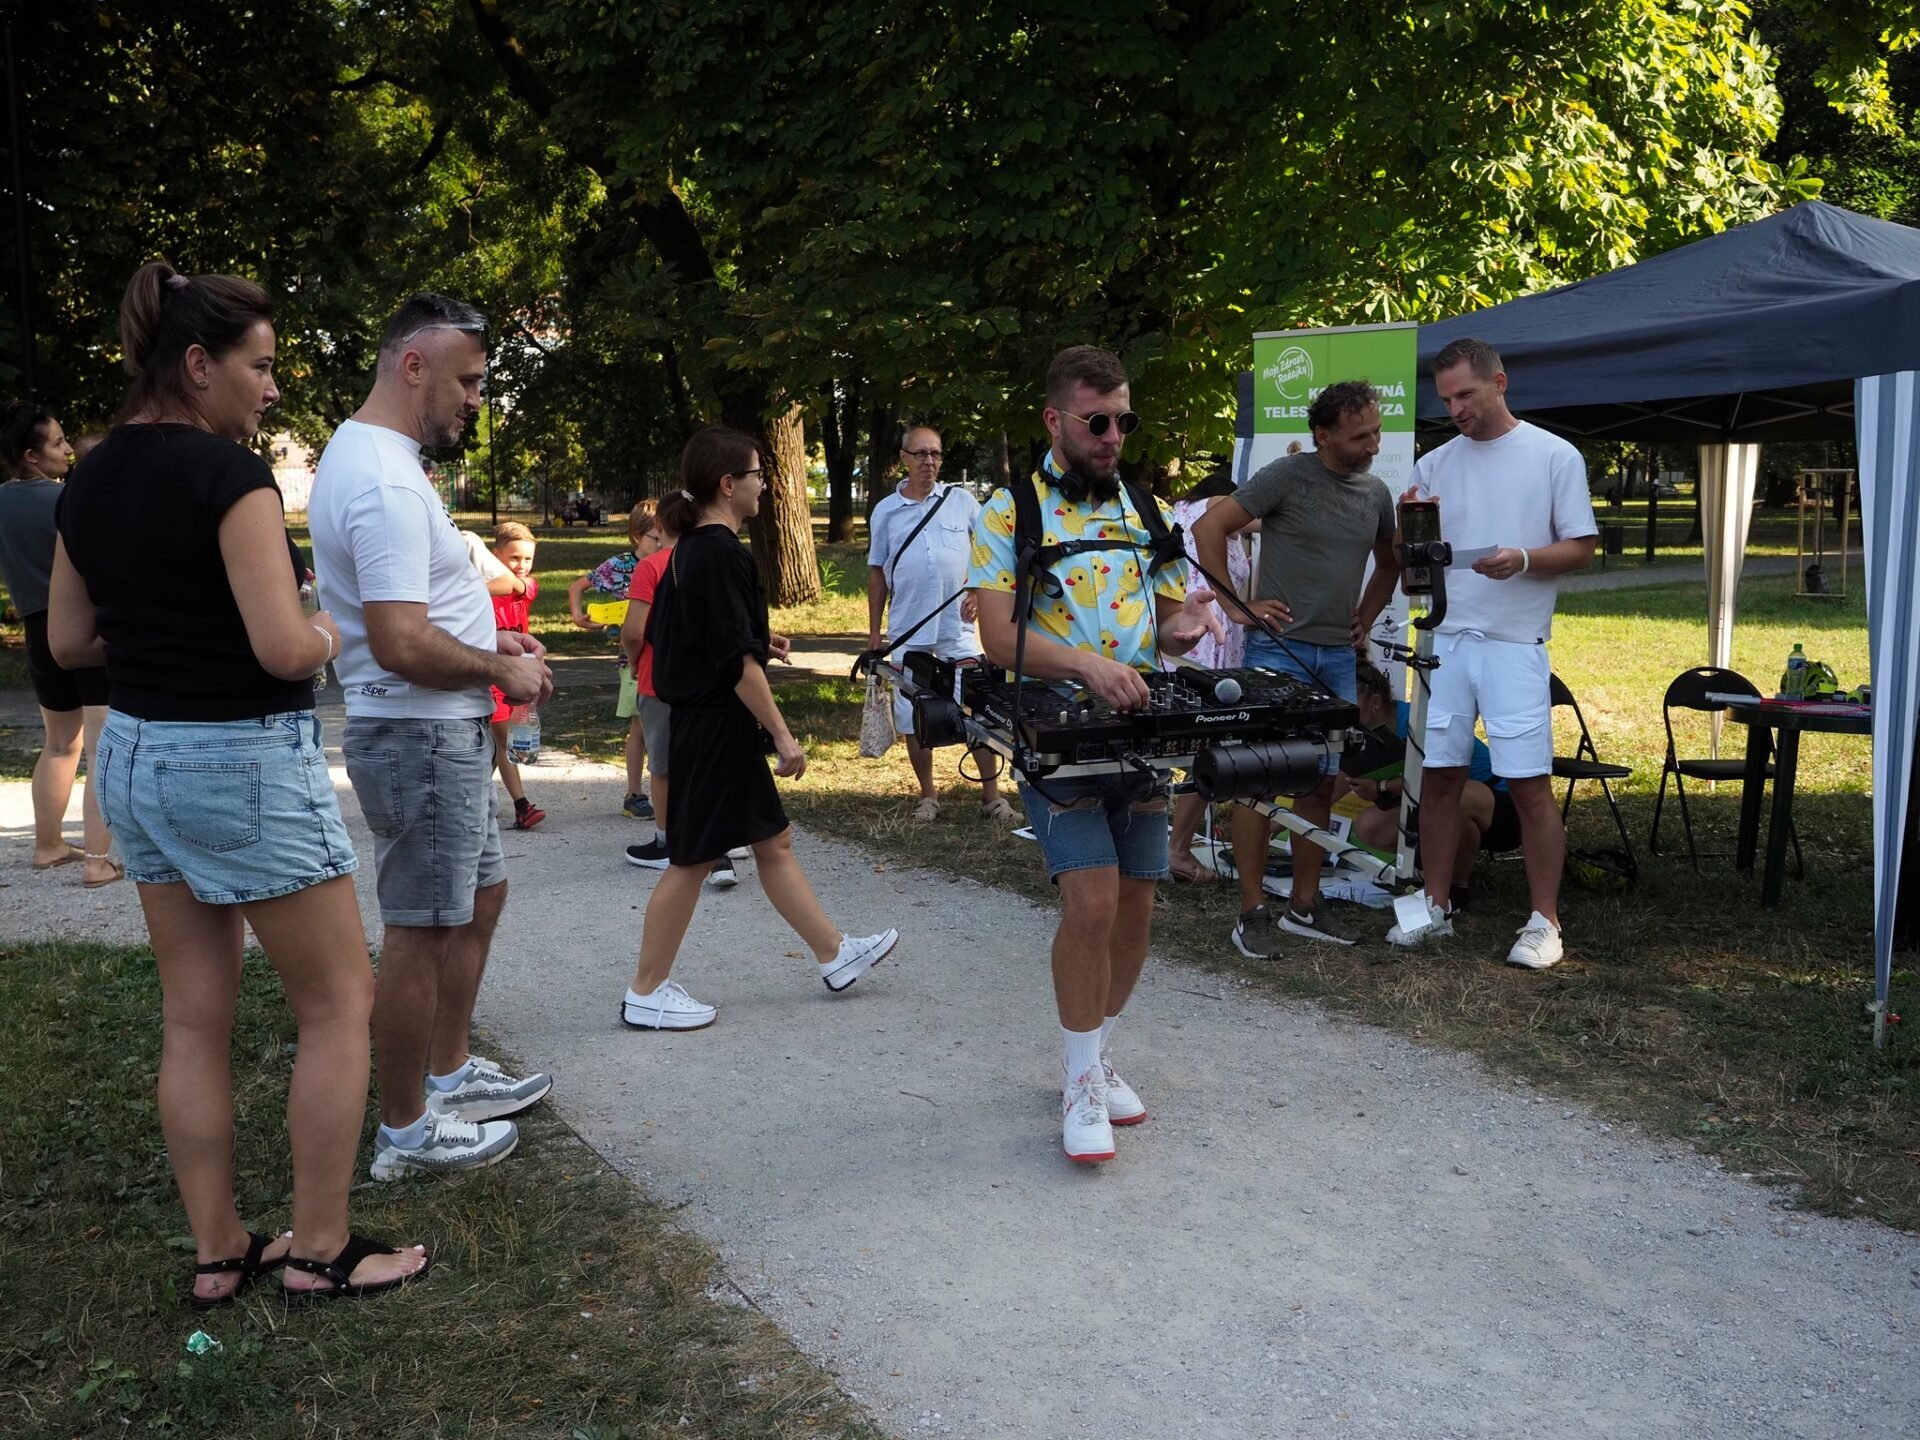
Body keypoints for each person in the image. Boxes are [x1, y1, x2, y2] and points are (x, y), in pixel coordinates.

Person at [48, 261, 426, 1303]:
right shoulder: (232, 479)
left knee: (192, 1017)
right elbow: (280, 648)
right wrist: (327, 629)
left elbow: (73, 636)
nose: (271, 389)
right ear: (198, 365)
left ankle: (220, 1252)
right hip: (242, 759)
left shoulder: (89, 475)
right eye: (259, 368)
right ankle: (319, 1249)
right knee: (339, 1001)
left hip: (135, 753)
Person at [309, 292, 555, 1180]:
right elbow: (401, 640)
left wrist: (492, 641)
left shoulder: (388, 460)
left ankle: (448, 1071)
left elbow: (419, 614)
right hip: (419, 736)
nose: (477, 399)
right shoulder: (379, 477)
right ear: (413, 366)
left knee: (477, 901)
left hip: (439, 732)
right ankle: (407, 1130)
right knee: (423, 928)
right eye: (469, 380)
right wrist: (500, 671)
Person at [968, 345, 1222, 1164]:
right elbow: (999, 635)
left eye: (1124, 420)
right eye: (1097, 421)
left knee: (1139, 907)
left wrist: (1184, 627)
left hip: (1143, 735)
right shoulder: (1011, 512)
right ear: (1055, 419)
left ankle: (1096, 1050)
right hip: (1059, 738)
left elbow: (1175, 607)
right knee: (1093, 906)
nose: (1114, 435)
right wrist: (1086, 664)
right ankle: (1080, 1082)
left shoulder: (1146, 507)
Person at [619, 426, 899, 1030]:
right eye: (755, 476)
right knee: (692, 859)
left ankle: (834, 954)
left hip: (707, 723)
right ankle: (646, 990)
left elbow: (689, 635)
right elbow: (735, 665)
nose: (764, 486)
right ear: (728, 484)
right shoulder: (720, 552)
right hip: (714, 726)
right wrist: (782, 732)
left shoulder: (689, 549)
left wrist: (753, 639)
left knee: (773, 842)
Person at [1391, 337, 1596, 967]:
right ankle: (1435, 902)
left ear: (1499, 383)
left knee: (1530, 784)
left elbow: (1582, 546)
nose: (1455, 408)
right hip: (1446, 640)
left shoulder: (1553, 455)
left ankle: (1544, 922)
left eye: (1466, 395)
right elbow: (1412, 574)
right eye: (1447, 398)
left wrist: (1524, 558)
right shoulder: (1433, 465)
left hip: (1514, 644)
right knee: (1440, 778)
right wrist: (1413, 545)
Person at [1192, 380, 1400, 953]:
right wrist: (1236, 605)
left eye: (1378, 431)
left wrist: (1366, 614)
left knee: (1321, 784)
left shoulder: (1376, 493)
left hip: (1336, 657)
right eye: (1361, 436)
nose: (1374, 445)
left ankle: (1304, 908)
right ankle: (1252, 911)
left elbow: (1390, 563)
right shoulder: (1288, 477)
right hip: (1276, 653)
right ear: (1323, 433)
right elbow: (1209, 528)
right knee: (1257, 783)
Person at [865, 424, 1012, 824]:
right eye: (920, 454)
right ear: (904, 458)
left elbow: (990, 551)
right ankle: (927, 795)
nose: (929, 462)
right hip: (908, 627)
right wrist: (876, 631)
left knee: (980, 706)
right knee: (913, 713)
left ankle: (992, 797)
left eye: (935, 454)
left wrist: (979, 590)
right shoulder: (885, 511)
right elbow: (876, 572)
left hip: (957, 627)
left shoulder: (961, 501)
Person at [0, 401, 118, 887]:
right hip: (83, 629)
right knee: (101, 746)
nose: (68, 449)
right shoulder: (68, 498)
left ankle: (48, 845)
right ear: (31, 455)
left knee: (59, 744)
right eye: (58, 442)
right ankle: (97, 860)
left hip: (36, 631)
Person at [619, 490, 742, 890]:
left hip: (661, 678)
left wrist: (635, 660)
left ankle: (667, 841)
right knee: (706, 760)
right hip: (710, 678)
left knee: (665, 765)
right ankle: (722, 838)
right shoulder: (709, 560)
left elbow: (635, 631)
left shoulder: (651, 567)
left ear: (658, 527)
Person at [1338, 659, 1520, 909]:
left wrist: (1381, 788)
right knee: (1368, 825)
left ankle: (1455, 890)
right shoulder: (1365, 734)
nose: (1343, 714)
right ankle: (1430, 871)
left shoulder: (1417, 721)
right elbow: (1333, 786)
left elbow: (1437, 779)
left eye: (1349, 704)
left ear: (1376, 702)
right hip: (1436, 799)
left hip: (1499, 801)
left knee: (1451, 798)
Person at [1162, 468, 1254, 884]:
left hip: (1191, 638)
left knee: (1175, 749)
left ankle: (1163, 843)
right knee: (1209, 749)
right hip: (1203, 644)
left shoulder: (1183, 509)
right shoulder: (1215, 507)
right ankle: (1177, 850)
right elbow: (1265, 516)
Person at [569, 503, 664, 818]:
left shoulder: (671, 562)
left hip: (667, 654)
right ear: (637, 536)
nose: (662, 543)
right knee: (640, 726)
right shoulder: (620, 566)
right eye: (655, 537)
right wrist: (579, 617)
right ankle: (634, 793)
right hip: (633, 659)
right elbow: (577, 586)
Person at [486, 521, 546, 831]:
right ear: (495, 556)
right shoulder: (483, 590)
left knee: (495, 745)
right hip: (491, 676)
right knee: (502, 739)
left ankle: (476, 795)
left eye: (527, 559)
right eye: (513, 558)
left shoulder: (527, 586)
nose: (522, 565)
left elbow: (513, 585)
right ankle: (522, 806)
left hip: (517, 675)